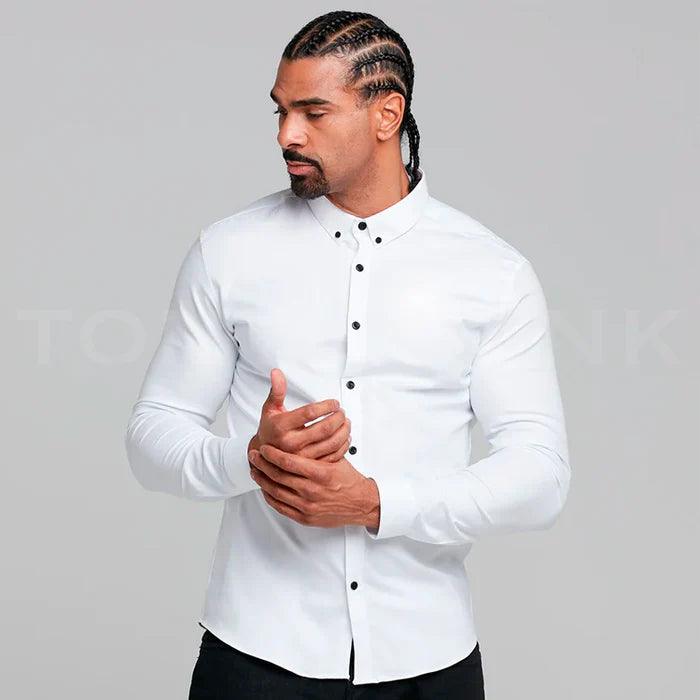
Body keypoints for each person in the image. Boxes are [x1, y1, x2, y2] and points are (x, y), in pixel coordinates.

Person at [124, 10, 571, 699]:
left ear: (386, 114)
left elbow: (540, 475)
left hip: (428, 660)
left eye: (314, 112)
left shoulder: (493, 273)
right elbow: (152, 435)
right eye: (280, 111)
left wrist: (377, 503)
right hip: (255, 656)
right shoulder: (229, 252)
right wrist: (249, 459)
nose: (287, 134)